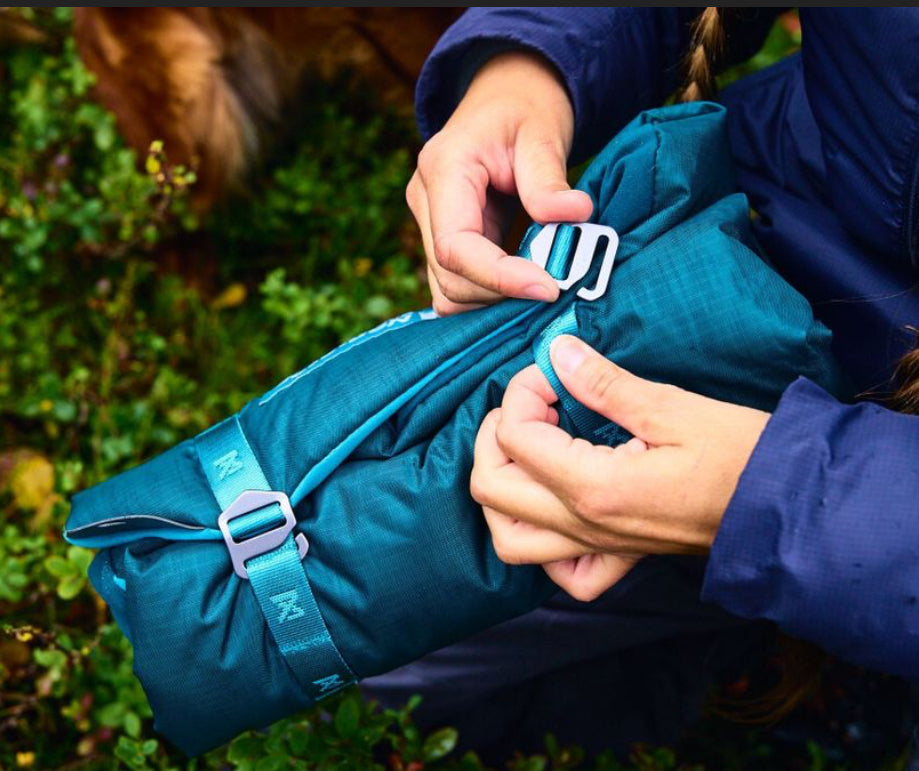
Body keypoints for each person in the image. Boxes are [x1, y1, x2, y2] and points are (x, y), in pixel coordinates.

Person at [364, 7, 919, 760]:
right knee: (391, 648)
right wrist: (531, 69)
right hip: (755, 244)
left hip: (846, 501)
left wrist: (778, 501)